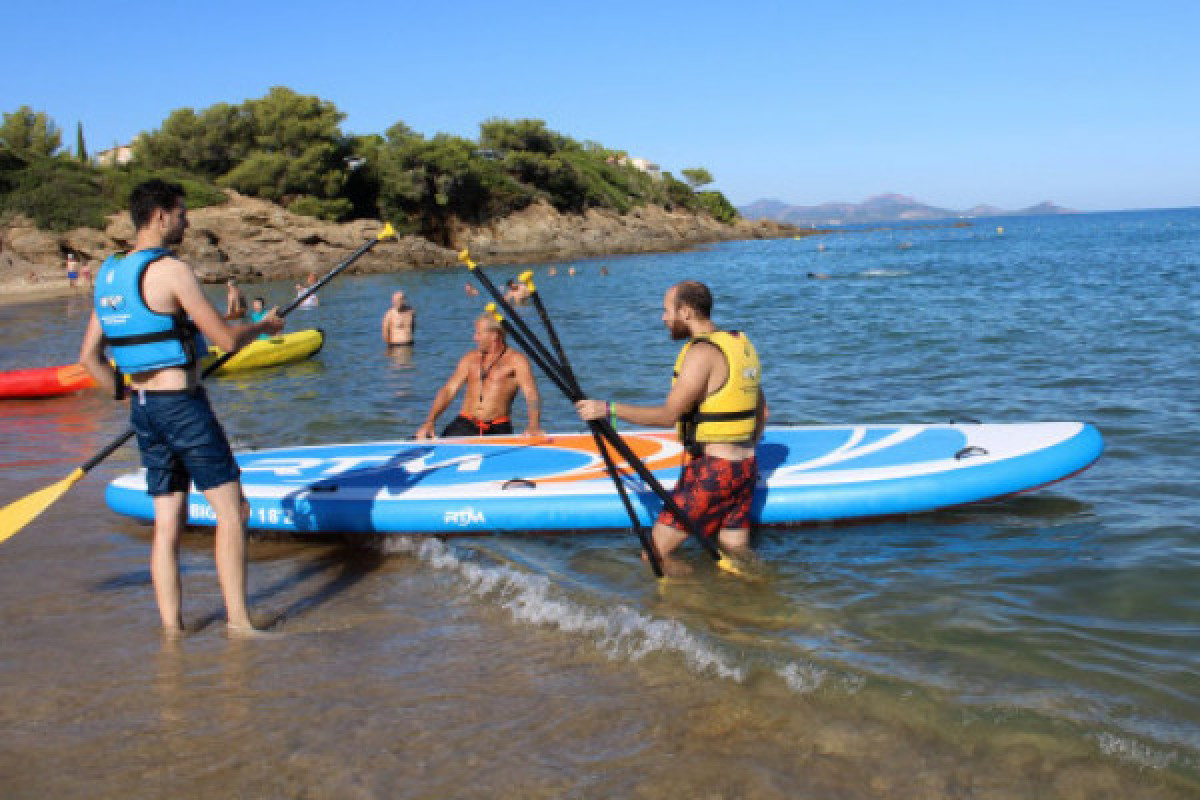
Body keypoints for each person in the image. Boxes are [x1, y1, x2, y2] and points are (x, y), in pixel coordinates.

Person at [78, 179, 284, 636]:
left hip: (145, 409)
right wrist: (264, 326)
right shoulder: (172, 270)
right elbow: (226, 340)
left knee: (167, 521)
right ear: (159, 216)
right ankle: (239, 622)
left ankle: (173, 629)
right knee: (233, 512)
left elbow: (89, 359)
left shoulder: (108, 275)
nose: (186, 222)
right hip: (183, 407)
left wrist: (126, 395)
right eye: (181, 214)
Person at [575, 281, 766, 576]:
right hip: (746, 469)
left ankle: (693, 597)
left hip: (714, 473)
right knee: (736, 553)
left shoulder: (702, 353)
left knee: (655, 556)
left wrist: (608, 409)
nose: (663, 318)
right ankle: (756, 591)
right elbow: (762, 411)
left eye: (667, 311)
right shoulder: (740, 344)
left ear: (686, 312)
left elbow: (668, 416)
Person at [415, 313, 542, 439]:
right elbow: (448, 391)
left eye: (478, 333)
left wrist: (533, 426)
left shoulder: (516, 361)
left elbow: (531, 394)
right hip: (465, 424)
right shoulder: (470, 358)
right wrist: (430, 421)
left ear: (494, 335)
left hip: (498, 428)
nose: (474, 338)